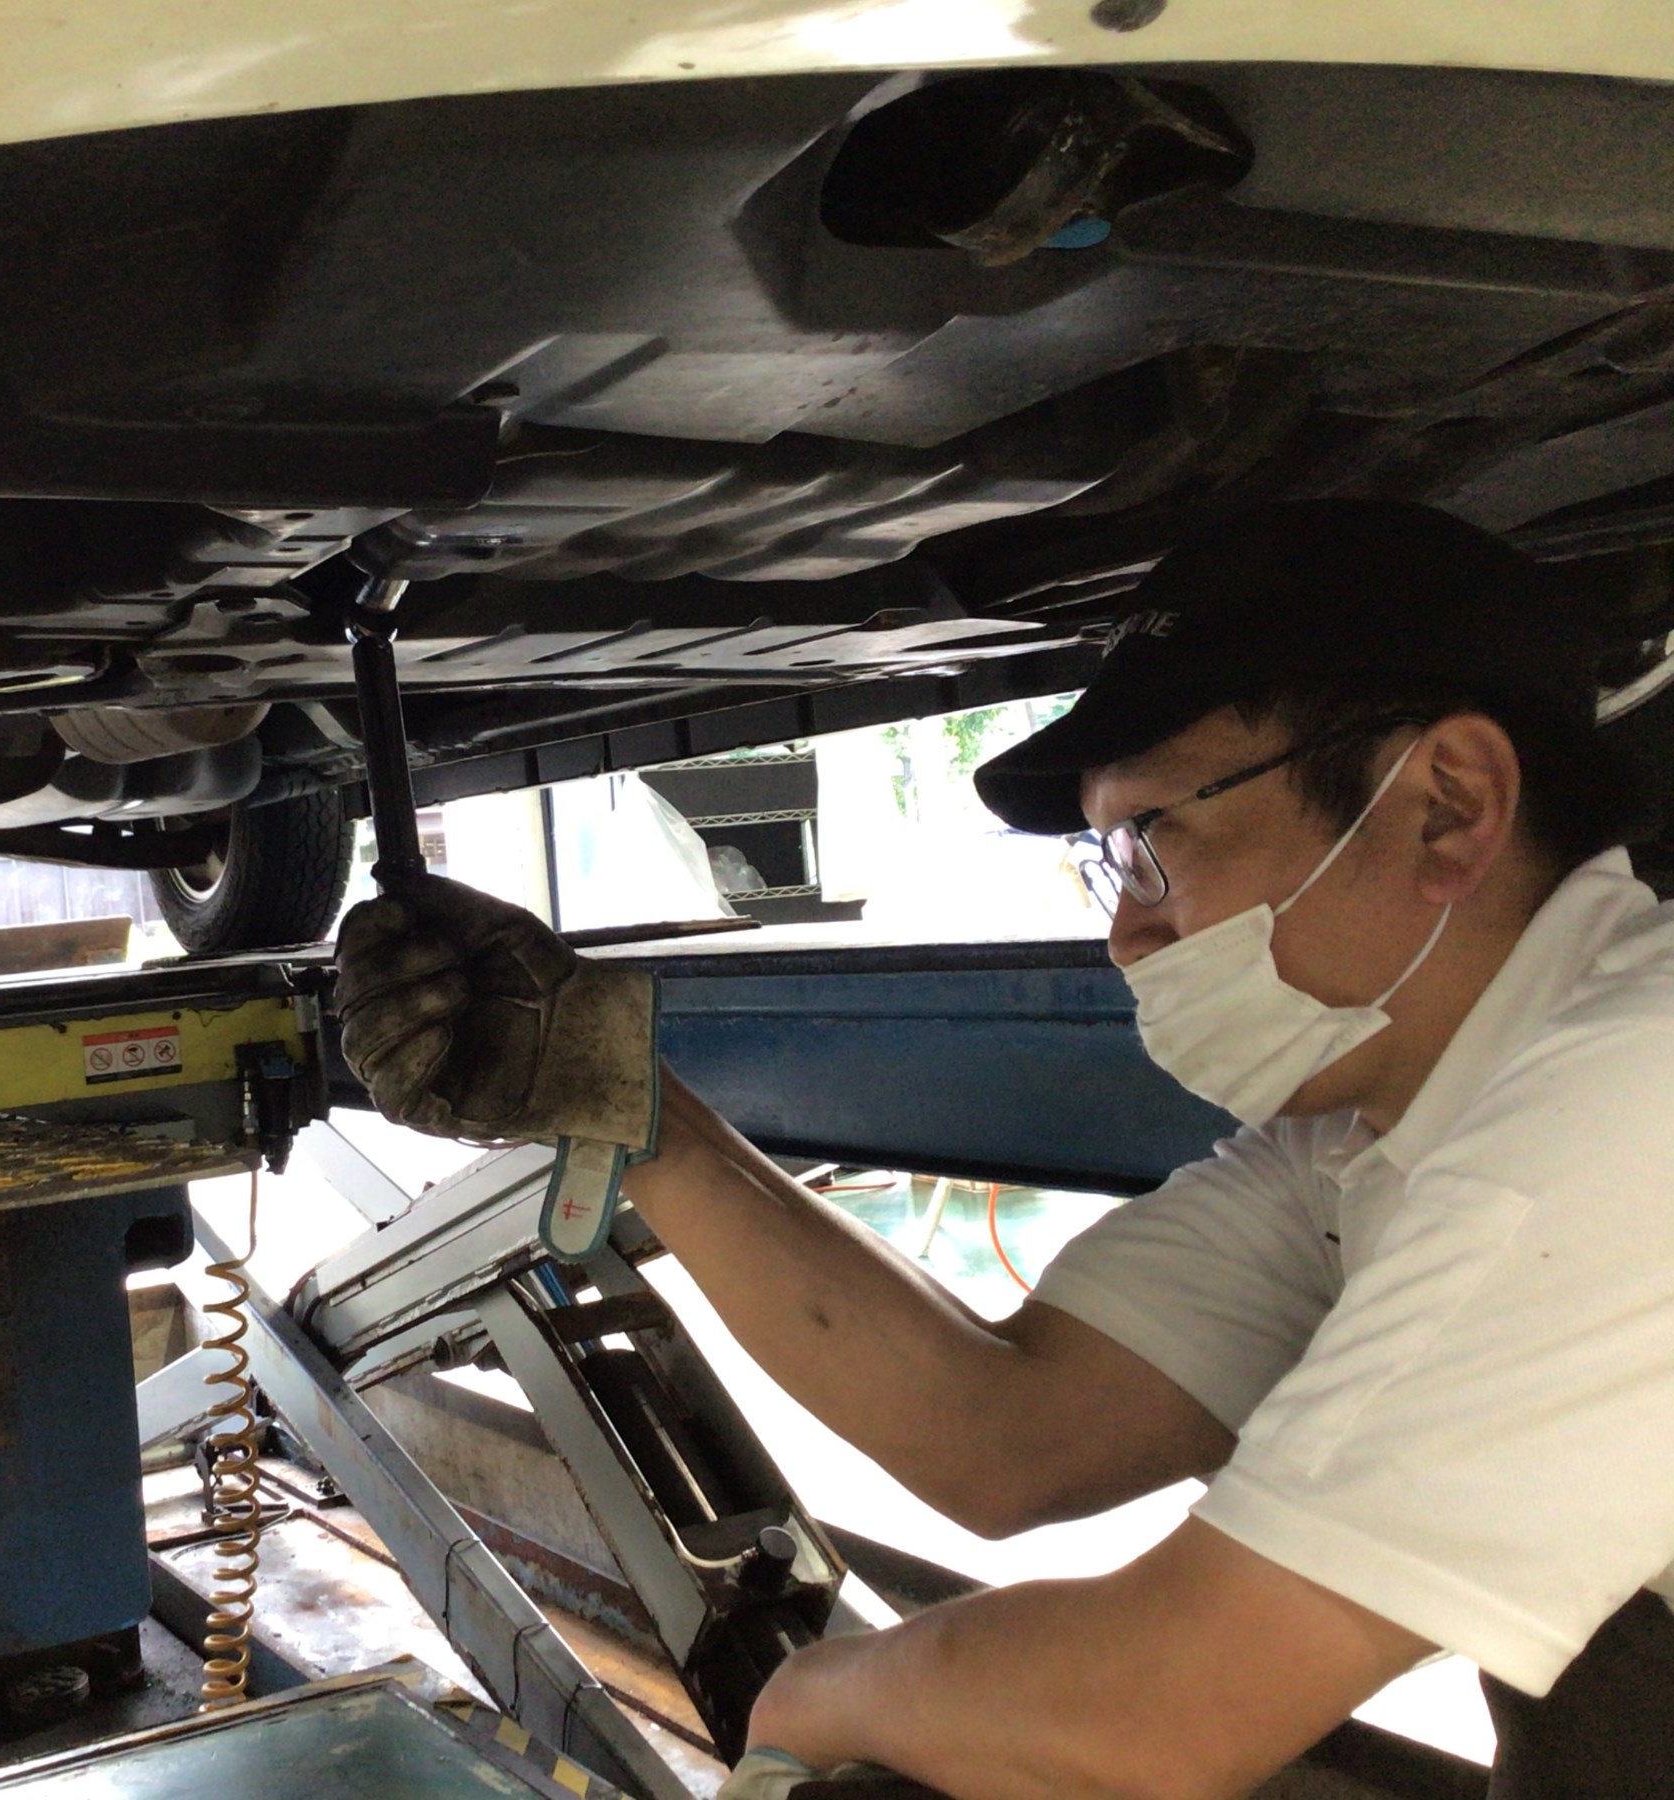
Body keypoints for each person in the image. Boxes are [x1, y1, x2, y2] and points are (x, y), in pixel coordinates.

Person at [332, 499, 1674, 1800]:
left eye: (1153, 844)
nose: (1126, 934)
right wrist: (631, 1112)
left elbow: (1153, 1716)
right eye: (1110, 867)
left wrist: (817, 1702)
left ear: (1447, 805)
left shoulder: (1632, 1095)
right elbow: (1008, 1436)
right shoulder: (1363, 1137)